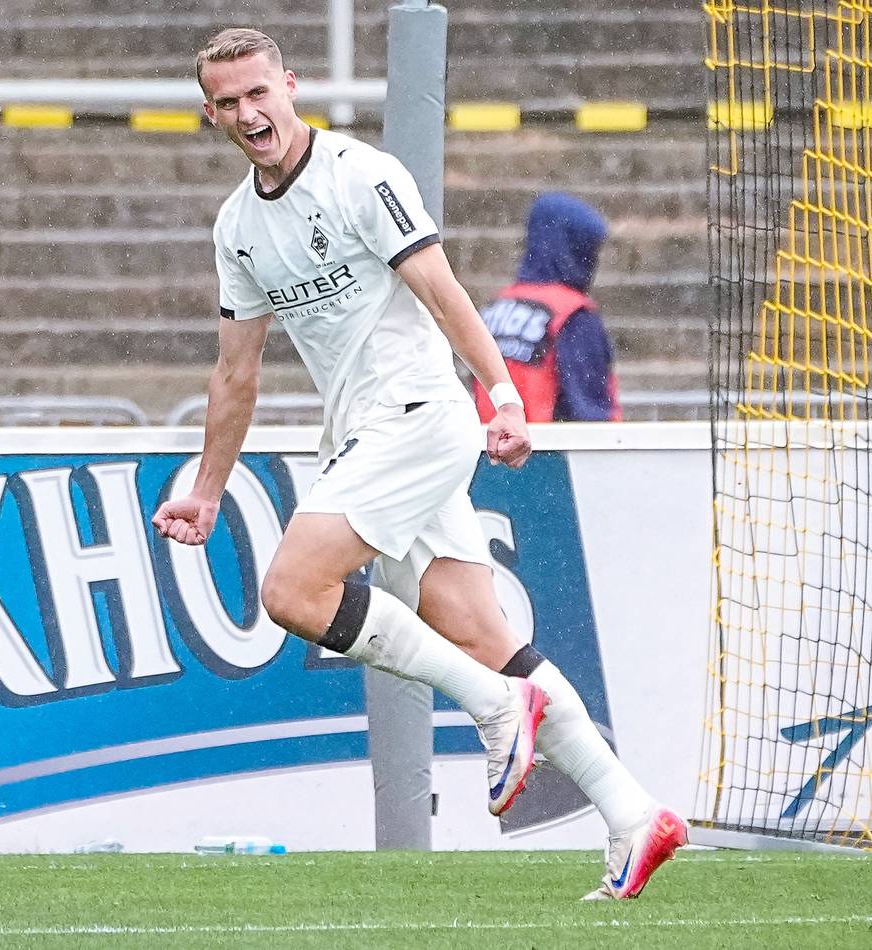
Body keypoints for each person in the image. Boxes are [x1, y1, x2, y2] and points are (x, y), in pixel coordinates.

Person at [151, 27, 686, 900]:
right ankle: (634, 814)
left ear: (291, 86)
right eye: (229, 102)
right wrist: (206, 492)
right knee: (486, 635)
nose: (250, 113)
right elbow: (234, 373)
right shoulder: (238, 228)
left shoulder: (362, 174)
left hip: (420, 418)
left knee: (291, 591)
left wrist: (503, 398)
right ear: (209, 114)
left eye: (261, 93)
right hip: (367, 435)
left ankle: (488, 707)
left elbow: (442, 291)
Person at [474, 192, 622, 423]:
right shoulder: (573, 317)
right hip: (550, 451)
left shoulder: (495, 309)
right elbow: (591, 414)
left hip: (490, 447)